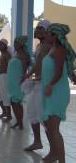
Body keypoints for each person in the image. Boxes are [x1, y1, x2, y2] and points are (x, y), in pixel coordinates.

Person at [40, 23, 75, 162]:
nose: (46, 35)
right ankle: (54, 154)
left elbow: (59, 71)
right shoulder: (52, 48)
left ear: (55, 36)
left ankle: (62, 160)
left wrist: (50, 85)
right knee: (49, 126)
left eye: (48, 33)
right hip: (51, 91)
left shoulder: (59, 50)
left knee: (54, 129)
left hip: (57, 92)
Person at [23, 19, 52, 151]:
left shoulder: (48, 46)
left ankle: (54, 149)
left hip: (44, 84)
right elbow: (37, 64)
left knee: (44, 118)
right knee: (32, 113)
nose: (37, 30)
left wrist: (30, 76)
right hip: (37, 83)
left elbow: (44, 65)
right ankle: (37, 142)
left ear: (47, 31)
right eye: (37, 28)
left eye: (41, 28)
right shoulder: (40, 46)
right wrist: (28, 75)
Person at [7, 36, 30, 129]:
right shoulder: (16, 54)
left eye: (16, 43)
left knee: (17, 102)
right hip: (12, 81)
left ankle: (20, 124)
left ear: (21, 44)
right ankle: (18, 121)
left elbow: (24, 70)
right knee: (13, 102)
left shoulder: (24, 55)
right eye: (14, 42)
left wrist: (22, 81)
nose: (15, 44)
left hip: (18, 81)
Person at [0, 39, 11, 121]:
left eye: (1, 44)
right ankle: (4, 111)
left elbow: (10, 66)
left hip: (5, 76)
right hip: (1, 76)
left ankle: (9, 115)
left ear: (4, 45)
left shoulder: (7, 54)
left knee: (5, 95)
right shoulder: (2, 54)